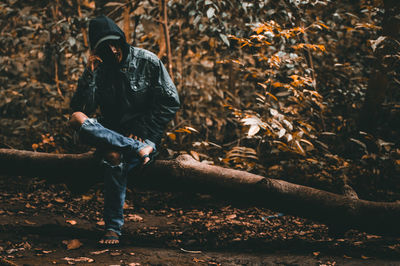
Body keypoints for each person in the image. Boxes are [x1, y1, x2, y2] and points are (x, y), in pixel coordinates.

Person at [69, 15, 180, 245]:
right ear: (97, 49)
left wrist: (144, 127)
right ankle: (138, 149)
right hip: (113, 133)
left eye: (114, 42)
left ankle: (112, 227)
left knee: (113, 156)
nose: (112, 49)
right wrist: (89, 74)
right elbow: (84, 108)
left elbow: (170, 101)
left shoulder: (147, 61)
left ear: (121, 40)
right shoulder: (98, 69)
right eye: (104, 45)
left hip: (143, 133)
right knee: (76, 118)